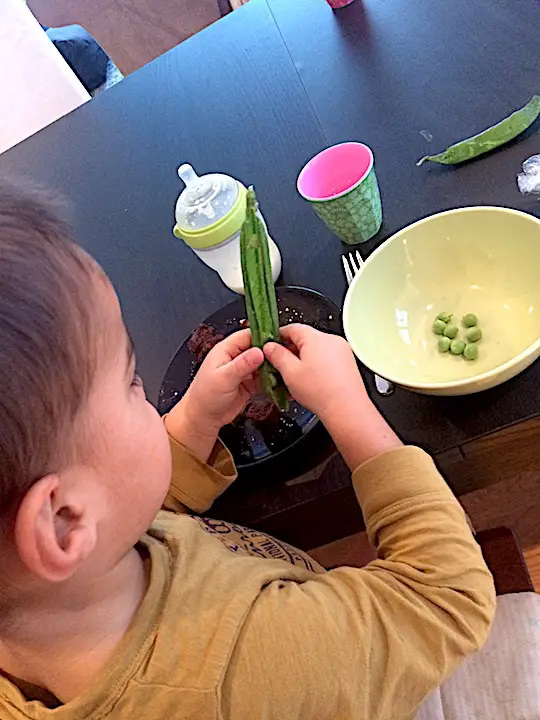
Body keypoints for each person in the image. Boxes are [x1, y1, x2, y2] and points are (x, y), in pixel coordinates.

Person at [0, 181, 494, 719]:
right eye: (130, 383)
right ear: (62, 520)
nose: (145, 393)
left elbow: (117, 517)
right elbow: (448, 598)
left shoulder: (54, 597)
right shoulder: (257, 668)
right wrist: (346, 405)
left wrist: (191, 423)